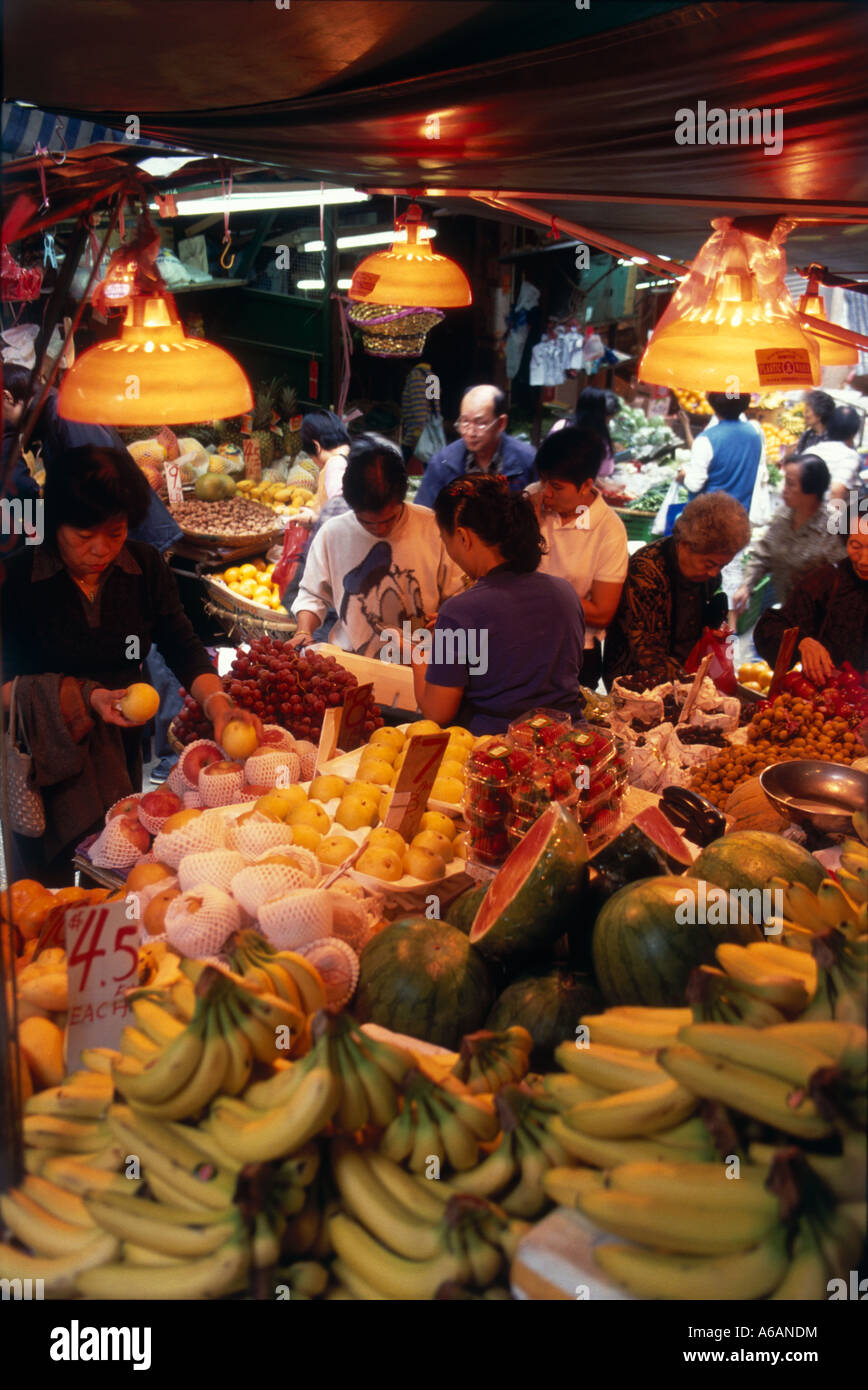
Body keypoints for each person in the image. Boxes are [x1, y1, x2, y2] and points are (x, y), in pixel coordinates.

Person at [0, 446, 262, 885]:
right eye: (84, 535)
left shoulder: (141, 568)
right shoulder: (20, 580)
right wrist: (82, 698)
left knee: (116, 870)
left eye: (116, 532)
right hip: (41, 762)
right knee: (48, 892)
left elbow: (181, 645)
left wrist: (218, 704)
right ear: (54, 520)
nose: (101, 549)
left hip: (117, 750)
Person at [411, 474, 585, 733]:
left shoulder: (459, 612)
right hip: (564, 746)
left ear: (462, 537)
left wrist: (418, 654)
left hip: (496, 755)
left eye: (445, 540)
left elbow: (438, 712)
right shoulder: (565, 592)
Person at [290, 433, 464, 657]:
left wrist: (448, 618)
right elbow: (312, 594)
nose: (380, 530)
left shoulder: (435, 529)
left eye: (389, 520)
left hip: (421, 660)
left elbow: (460, 593)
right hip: (351, 659)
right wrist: (304, 630)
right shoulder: (333, 533)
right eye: (367, 522)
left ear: (402, 500)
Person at [602, 491, 751, 688]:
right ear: (685, 545)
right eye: (710, 564)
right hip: (635, 684)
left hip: (680, 678)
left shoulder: (708, 577)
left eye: (722, 566)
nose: (715, 573)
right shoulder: (647, 570)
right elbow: (648, 653)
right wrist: (694, 686)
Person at [529, 426, 628, 689]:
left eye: (557, 487)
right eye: (543, 481)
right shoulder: (531, 502)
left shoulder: (609, 530)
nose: (546, 492)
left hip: (574, 653)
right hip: (521, 640)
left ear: (586, 484)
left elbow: (602, 613)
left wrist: (539, 591)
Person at [754, 507, 868, 682]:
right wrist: (802, 641)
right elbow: (771, 627)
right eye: (856, 546)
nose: (864, 560)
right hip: (830, 701)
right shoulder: (827, 581)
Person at [732, 455, 846, 614]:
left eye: (790, 484)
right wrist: (746, 586)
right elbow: (763, 554)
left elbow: (843, 581)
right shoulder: (783, 516)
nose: (783, 489)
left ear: (811, 489)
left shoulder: (834, 527)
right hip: (788, 609)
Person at [414, 385, 536, 507]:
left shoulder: (527, 460)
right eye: (465, 422)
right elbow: (425, 513)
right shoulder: (442, 462)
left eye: (480, 423)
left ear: (501, 423)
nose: (471, 432)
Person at [679, 392, 763, 515]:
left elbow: (694, 485)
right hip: (740, 518)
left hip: (709, 519)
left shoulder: (705, 440)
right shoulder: (755, 434)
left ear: (712, 404)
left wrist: (683, 476)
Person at [810, 404, 863, 500]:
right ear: (853, 434)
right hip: (828, 512)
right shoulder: (849, 457)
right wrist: (835, 514)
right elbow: (836, 490)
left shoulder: (812, 450)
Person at [302, 410, 351, 510]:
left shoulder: (335, 465)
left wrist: (312, 520)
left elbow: (341, 513)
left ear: (317, 447)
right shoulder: (354, 453)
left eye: (311, 457)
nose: (314, 461)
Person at [785, 389, 836, 461]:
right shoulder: (807, 434)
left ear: (819, 415)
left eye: (807, 411)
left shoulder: (830, 439)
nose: (804, 415)